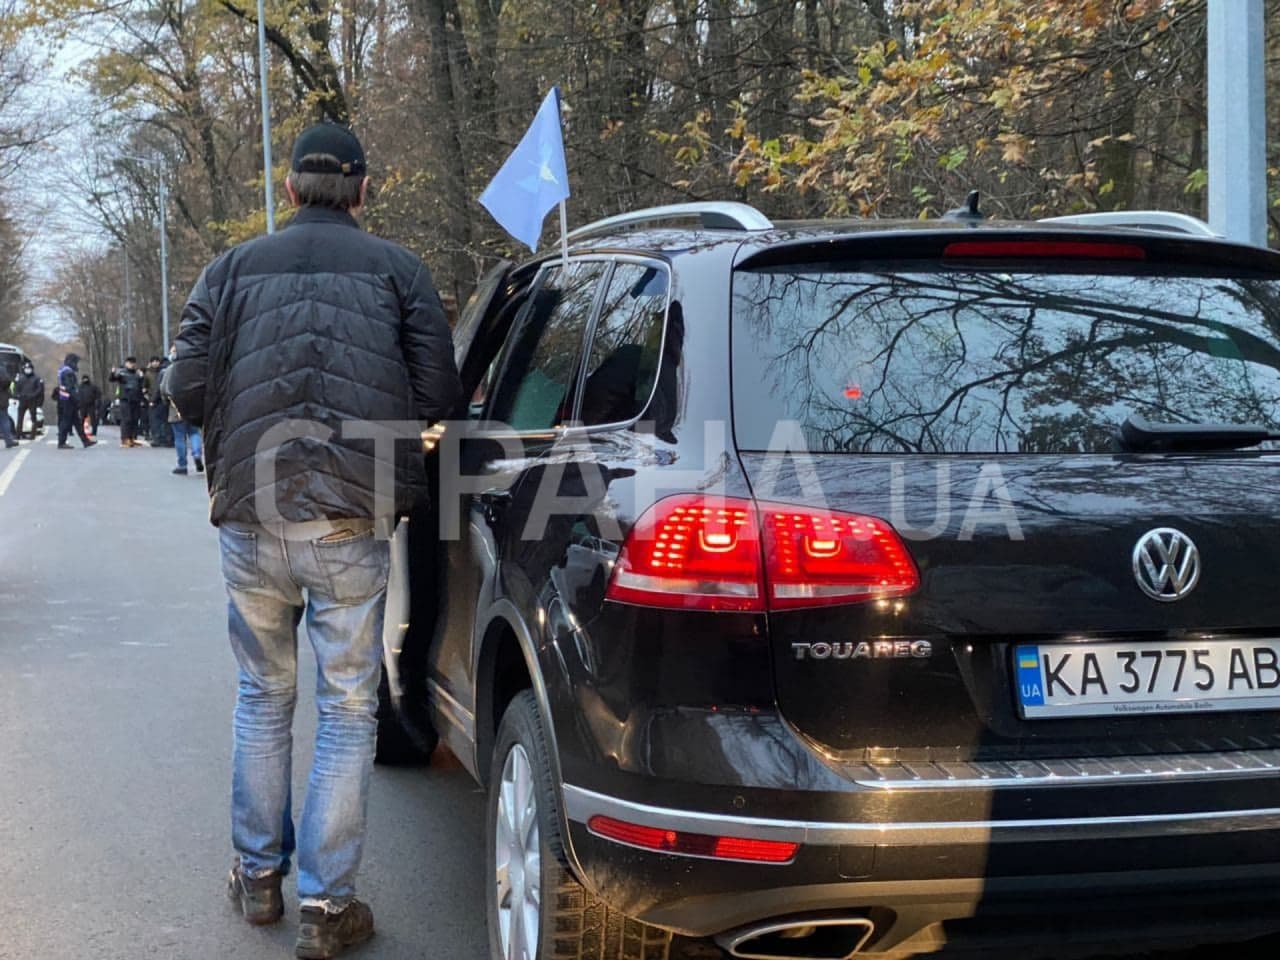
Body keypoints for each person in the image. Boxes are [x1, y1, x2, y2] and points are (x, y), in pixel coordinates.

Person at [167, 122, 461, 959]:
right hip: (349, 520)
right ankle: (328, 909)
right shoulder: (402, 272)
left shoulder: (228, 270)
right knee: (347, 710)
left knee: (263, 698)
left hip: (254, 518)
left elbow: (184, 386)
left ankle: (258, 879)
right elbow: (441, 390)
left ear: (290, 188)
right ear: (363, 190)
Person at [160, 345, 201, 476]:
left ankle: (182, 465)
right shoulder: (194, 368)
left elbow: (163, 389)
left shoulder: (170, 370)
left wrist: (166, 401)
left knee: (179, 437)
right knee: (194, 433)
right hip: (194, 406)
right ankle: (197, 454)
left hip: (176, 408)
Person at [55, 354, 95, 449]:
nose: (77, 364)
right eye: (76, 362)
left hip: (66, 399)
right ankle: (61, 442)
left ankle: (85, 441)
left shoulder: (63, 371)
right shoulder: (68, 372)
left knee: (77, 422)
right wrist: (77, 399)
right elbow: (70, 388)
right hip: (69, 400)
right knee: (66, 421)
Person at [109, 357, 146, 447]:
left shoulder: (137, 374)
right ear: (126, 363)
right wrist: (113, 372)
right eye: (130, 363)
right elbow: (112, 379)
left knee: (135, 419)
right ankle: (125, 439)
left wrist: (142, 378)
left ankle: (132, 438)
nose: (132, 365)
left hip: (136, 399)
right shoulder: (122, 373)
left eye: (133, 363)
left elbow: (140, 387)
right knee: (127, 419)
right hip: (125, 399)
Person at [12, 360, 44, 439]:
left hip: (32, 401)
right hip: (22, 400)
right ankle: (18, 434)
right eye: (26, 368)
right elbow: (16, 388)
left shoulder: (36, 378)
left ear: (32, 369)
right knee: (20, 418)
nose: (27, 369)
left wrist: (33, 395)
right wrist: (18, 395)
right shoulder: (21, 378)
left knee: (33, 417)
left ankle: (32, 434)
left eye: (29, 368)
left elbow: (39, 389)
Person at [146, 355, 173, 447]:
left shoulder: (162, 372)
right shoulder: (173, 369)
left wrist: (152, 400)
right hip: (171, 399)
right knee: (168, 420)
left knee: (156, 420)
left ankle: (158, 439)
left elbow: (159, 387)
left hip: (159, 399)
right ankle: (169, 439)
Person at [1, 367, 17, 449]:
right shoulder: (2, 369)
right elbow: (7, 381)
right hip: (1, 400)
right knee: (4, 421)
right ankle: (8, 440)